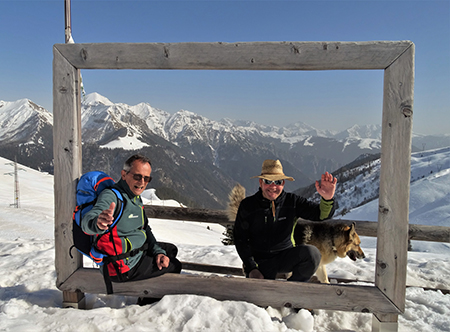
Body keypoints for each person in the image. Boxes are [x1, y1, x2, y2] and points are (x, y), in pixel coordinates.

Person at [81, 154, 182, 301]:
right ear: (124, 174)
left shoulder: (135, 197)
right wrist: (98, 222)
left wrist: (158, 252)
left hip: (135, 253)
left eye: (147, 178)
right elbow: (88, 222)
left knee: (170, 250)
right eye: (137, 176)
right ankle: (147, 302)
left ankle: (149, 286)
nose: (142, 182)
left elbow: (145, 228)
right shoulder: (111, 197)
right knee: (174, 266)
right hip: (122, 267)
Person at [233, 159, 337, 282]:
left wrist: (327, 199)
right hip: (259, 261)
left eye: (277, 182)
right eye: (268, 181)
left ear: (283, 183)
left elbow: (320, 215)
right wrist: (251, 268)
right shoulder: (248, 205)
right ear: (261, 183)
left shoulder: (292, 201)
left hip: (285, 256)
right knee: (263, 297)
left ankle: (293, 287)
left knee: (312, 254)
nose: (273, 186)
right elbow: (240, 238)